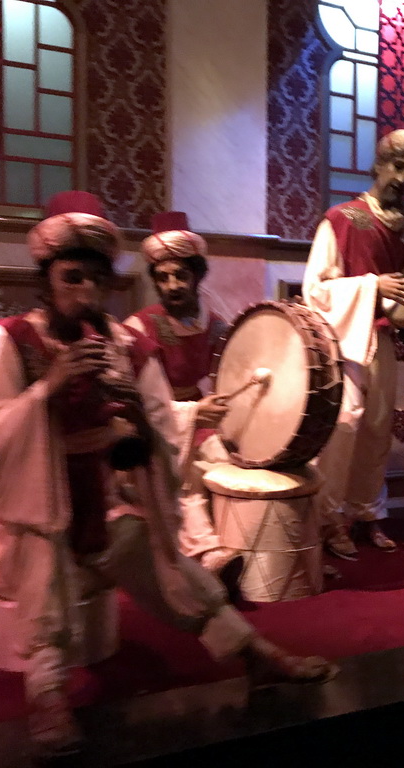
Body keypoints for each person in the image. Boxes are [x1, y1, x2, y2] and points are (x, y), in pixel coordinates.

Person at [0, 192, 336, 757]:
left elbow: (163, 428)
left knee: (166, 559)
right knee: (45, 553)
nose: (84, 293)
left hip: (104, 505)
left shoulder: (126, 346)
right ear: (46, 278)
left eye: (95, 281)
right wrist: (47, 390)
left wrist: (132, 410)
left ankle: (255, 657)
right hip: (33, 509)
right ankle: (48, 693)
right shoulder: (8, 341)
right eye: (71, 277)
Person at [303, 128, 404, 561]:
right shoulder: (342, 218)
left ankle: (367, 511)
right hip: (341, 344)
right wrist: (371, 286)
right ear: (379, 164)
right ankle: (329, 519)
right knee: (344, 426)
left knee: (377, 430)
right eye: (397, 166)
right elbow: (315, 290)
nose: (402, 178)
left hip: (382, 340)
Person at [123, 211, 239, 577]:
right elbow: (133, 403)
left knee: (228, 463)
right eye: (163, 278)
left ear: (197, 276)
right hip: (153, 424)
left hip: (197, 419)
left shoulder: (218, 326)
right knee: (183, 477)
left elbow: (228, 378)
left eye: (181, 276)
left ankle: (245, 546)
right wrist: (189, 414)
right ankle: (207, 553)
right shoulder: (139, 328)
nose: (173, 285)